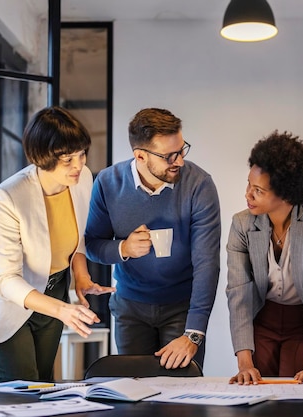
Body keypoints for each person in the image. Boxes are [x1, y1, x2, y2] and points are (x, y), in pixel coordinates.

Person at [0, 106, 116, 381]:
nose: (79, 165)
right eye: (67, 159)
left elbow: (78, 237)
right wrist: (63, 310)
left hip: (54, 288)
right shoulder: (8, 196)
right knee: (20, 393)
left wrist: (80, 277)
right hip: (8, 303)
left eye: (81, 154)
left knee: (43, 387)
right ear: (41, 157)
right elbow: (6, 278)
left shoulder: (82, 181)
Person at [85, 108, 221, 370]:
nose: (179, 161)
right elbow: (92, 244)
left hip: (182, 307)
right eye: (169, 156)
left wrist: (194, 333)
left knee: (181, 399)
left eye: (182, 150)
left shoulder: (199, 185)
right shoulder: (107, 183)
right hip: (130, 308)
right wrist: (123, 248)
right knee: (134, 393)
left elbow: (207, 263)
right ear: (140, 156)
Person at [226, 131, 303, 385]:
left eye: (258, 190)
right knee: (257, 390)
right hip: (262, 318)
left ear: (286, 195)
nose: (247, 194)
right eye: (249, 184)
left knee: (300, 392)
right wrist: (244, 363)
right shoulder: (241, 224)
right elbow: (238, 293)